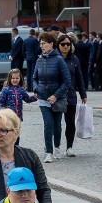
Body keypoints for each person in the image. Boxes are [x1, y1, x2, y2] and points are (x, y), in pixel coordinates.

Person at [32, 32, 71, 163]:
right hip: (43, 97)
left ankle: (57, 147)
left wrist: (56, 95)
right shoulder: (39, 59)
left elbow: (67, 81)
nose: (41, 46)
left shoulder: (59, 59)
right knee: (48, 124)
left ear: (51, 44)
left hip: (57, 98)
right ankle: (49, 152)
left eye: (43, 43)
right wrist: (36, 88)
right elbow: (34, 78)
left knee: (57, 125)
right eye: (40, 43)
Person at [57, 34, 87, 158]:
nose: (65, 46)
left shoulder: (74, 60)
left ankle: (69, 147)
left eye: (68, 44)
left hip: (70, 95)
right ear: (58, 45)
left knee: (70, 122)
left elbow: (79, 77)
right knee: (56, 123)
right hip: (57, 95)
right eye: (63, 44)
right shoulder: (54, 59)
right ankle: (55, 146)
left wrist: (83, 93)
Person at [0, 68, 37, 144]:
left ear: (20, 78)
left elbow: (27, 99)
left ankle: (16, 149)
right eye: (13, 78)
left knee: (16, 134)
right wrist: (2, 114)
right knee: (8, 133)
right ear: (10, 78)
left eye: (17, 78)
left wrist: (35, 97)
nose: (15, 80)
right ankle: (8, 149)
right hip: (8, 118)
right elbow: (1, 104)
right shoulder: (6, 90)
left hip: (17, 117)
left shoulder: (21, 90)